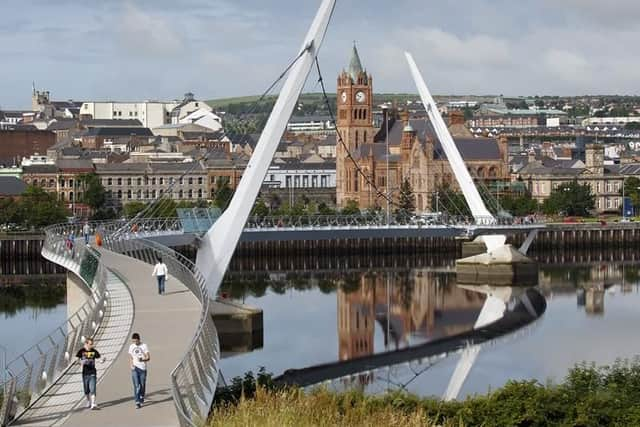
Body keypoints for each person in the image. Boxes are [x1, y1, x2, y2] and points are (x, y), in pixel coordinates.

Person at [76, 337, 103, 410]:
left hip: (92, 372)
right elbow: (77, 361)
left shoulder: (94, 351)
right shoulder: (81, 351)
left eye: (92, 344)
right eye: (90, 344)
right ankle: (88, 401)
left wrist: (102, 361)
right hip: (85, 373)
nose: (91, 346)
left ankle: (93, 404)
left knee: (92, 388)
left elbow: (99, 358)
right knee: (86, 390)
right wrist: (81, 362)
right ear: (86, 344)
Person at [129, 332, 150, 408]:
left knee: (142, 385)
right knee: (136, 386)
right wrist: (131, 365)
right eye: (133, 341)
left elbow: (148, 357)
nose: (135, 343)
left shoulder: (144, 346)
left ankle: (141, 397)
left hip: (142, 368)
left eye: (136, 341)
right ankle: (137, 401)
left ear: (139, 340)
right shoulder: (131, 346)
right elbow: (131, 357)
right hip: (135, 368)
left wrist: (142, 359)